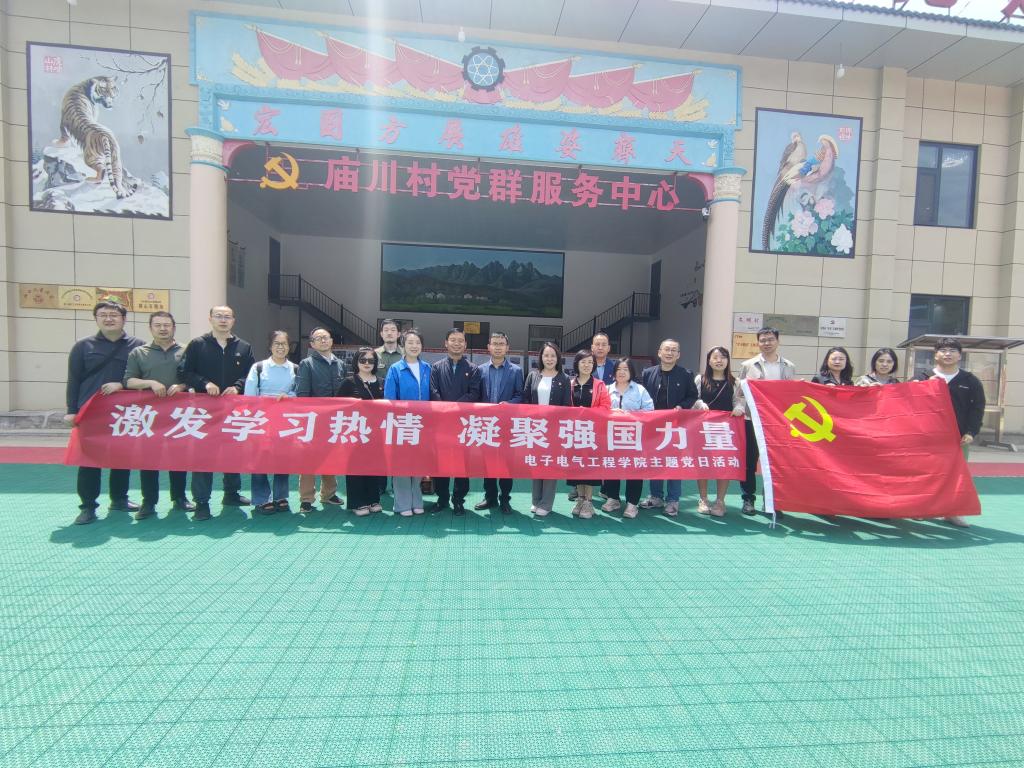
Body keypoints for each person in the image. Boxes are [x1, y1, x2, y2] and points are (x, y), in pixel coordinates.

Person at [65, 300, 145, 525]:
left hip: (125, 412)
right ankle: (88, 506)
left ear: (124, 319)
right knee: (89, 461)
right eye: (103, 315)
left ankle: (119, 499)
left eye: (114, 315)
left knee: (122, 458)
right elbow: (74, 379)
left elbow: (143, 376)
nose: (109, 319)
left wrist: (122, 385)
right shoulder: (83, 346)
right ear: (96, 318)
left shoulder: (138, 346)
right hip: (91, 411)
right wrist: (72, 410)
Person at [178, 305, 256, 521]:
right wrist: (205, 383)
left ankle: (231, 494)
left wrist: (238, 387)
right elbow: (184, 372)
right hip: (204, 412)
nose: (223, 320)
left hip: (233, 410)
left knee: (233, 453)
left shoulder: (244, 347)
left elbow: (250, 374)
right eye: (218, 316)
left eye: (227, 317)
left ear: (233, 320)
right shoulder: (197, 344)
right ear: (210, 319)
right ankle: (202, 503)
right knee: (203, 456)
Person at [124, 311, 192, 520]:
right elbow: (129, 381)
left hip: (179, 415)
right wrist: (150, 383)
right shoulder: (139, 352)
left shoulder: (186, 351)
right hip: (149, 416)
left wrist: (182, 386)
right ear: (150, 328)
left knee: (178, 458)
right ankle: (149, 501)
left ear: (174, 327)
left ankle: (179, 498)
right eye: (158, 325)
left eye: (167, 325)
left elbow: (193, 377)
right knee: (149, 460)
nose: (163, 329)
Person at [914, 337, 986, 528]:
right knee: (925, 473)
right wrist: (924, 386)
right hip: (927, 437)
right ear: (935, 354)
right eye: (943, 350)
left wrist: (971, 431)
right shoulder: (922, 377)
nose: (948, 354)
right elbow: (907, 402)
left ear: (960, 356)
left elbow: (977, 408)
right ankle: (922, 508)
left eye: (952, 351)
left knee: (956, 475)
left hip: (958, 438)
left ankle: (951, 512)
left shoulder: (970, 381)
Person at [738, 327, 797, 516]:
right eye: (763, 340)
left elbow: (791, 395)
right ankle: (748, 499)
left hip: (777, 423)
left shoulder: (788, 366)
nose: (767, 343)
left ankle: (772, 501)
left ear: (778, 341)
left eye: (770, 339)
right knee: (750, 460)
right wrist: (739, 407)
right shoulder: (748, 365)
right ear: (758, 343)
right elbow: (739, 393)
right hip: (752, 420)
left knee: (774, 463)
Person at [639, 338, 700, 517]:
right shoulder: (648, 373)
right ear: (659, 352)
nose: (669, 353)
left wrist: (682, 406)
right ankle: (656, 496)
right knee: (655, 461)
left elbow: (692, 396)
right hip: (652, 426)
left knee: (674, 463)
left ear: (678, 355)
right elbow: (641, 395)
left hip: (676, 427)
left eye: (674, 350)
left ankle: (673, 500)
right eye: (666, 349)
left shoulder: (685, 374)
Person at [243, 330, 297, 514]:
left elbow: (300, 393)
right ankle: (261, 499)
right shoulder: (258, 367)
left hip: (285, 422)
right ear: (270, 346)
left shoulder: (295, 369)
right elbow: (249, 396)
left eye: (284, 344)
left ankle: (281, 496)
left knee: (283, 459)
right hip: (261, 421)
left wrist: (289, 396)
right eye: (277, 344)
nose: (281, 347)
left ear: (289, 347)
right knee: (260, 461)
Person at [429, 329, 481, 515]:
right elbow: (433, 391)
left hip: (463, 424)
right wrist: (445, 409)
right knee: (440, 463)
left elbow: (474, 394)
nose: (457, 343)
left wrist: (453, 408)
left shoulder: (473, 369)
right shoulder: (436, 367)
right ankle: (442, 499)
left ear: (465, 345)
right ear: (446, 343)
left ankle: (458, 500)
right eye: (453, 340)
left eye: (460, 340)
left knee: (462, 465)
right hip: (441, 423)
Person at [295, 328, 346, 513]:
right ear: (312, 344)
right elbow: (302, 394)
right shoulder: (306, 364)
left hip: (334, 421)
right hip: (313, 420)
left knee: (330, 457)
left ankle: (329, 494)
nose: (323, 341)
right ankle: (306, 498)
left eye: (326, 337)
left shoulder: (340, 364)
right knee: (308, 459)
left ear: (331, 341)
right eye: (319, 338)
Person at [692, 347, 747, 517]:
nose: (719, 360)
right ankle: (703, 499)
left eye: (723, 357)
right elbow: (693, 398)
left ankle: (720, 501)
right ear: (708, 361)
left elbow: (739, 400)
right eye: (715, 357)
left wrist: (739, 407)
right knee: (703, 463)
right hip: (703, 430)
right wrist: (699, 404)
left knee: (724, 464)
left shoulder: (735, 382)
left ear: (728, 361)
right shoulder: (700, 379)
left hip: (725, 431)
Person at [383, 329, 431, 517]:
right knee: (402, 464)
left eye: (417, 342)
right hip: (402, 423)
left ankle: (417, 501)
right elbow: (389, 399)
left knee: (418, 463)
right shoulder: (395, 369)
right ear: (403, 346)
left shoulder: (427, 368)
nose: (414, 346)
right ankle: (402, 504)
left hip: (423, 424)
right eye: (410, 342)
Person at [476, 332, 524, 514]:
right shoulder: (480, 370)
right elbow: (476, 396)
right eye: (494, 344)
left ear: (507, 347)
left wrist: (508, 405)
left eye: (501, 344)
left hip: (507, 426)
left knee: (506, 464)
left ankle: (505, 499)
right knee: (487, 464)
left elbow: (521, 396)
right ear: (488, 347)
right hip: (486, 425)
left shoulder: (516, 371)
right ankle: (490, 497)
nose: (498, 347)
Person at [523, 342, 570, 518]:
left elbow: (566, 406)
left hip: (554, 430)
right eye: (546, 355)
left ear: (558, 358)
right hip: (535, 429)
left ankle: (546, 503)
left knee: (550, 465)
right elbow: (526, 401)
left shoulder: (564, 379)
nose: (549, 359)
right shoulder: (533, 376)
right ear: (541, 357)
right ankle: (536, 501)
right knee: (536, 464)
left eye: (553, 356)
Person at [603, 358, 654, 519]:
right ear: (614, 372)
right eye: (619, 369)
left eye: (625, 369)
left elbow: (650, 410)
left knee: (634, 469)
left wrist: (629, 415)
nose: (622, 372)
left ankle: (632, 503)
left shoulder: (640, 390)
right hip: (611, 437)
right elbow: (600, 410)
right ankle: (613, 498)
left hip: (634, 437)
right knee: (612, 467)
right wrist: (611, 413)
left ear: (631, 372)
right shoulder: (607, 389)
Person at [338, 347, 385, 516]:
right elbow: (338, 406)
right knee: (355, 467)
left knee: (373, 466)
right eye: (362, 360)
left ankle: (373, 499)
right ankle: (357, 502)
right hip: (355, 432)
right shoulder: (348, 382)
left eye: (371, 360)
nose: (367, 363)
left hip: (376, 433)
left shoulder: (382, 382)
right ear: (356, 362)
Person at [567, 350, 611, 518]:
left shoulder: (599, 385)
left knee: (590, 467)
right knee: (577, 466)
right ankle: (580, 499)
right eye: (583, 362)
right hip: (574, 433)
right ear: (577, 364)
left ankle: (589, 502)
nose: (587, 365)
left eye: (590, 362)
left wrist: (587, 413)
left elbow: (606, 407)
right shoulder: (571, 384)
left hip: (592, 433)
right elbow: (564, 407)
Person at [586, 332, 617, 503]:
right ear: (592, 347)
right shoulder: (584, 364)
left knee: (607, 453)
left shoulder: (616, 367)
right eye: (597, 344)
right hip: (588, 420)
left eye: (603, 344)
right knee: (586, 452)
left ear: (609, 348)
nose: (600, 347)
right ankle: (580, 487)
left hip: (609, 419)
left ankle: (606, 488)